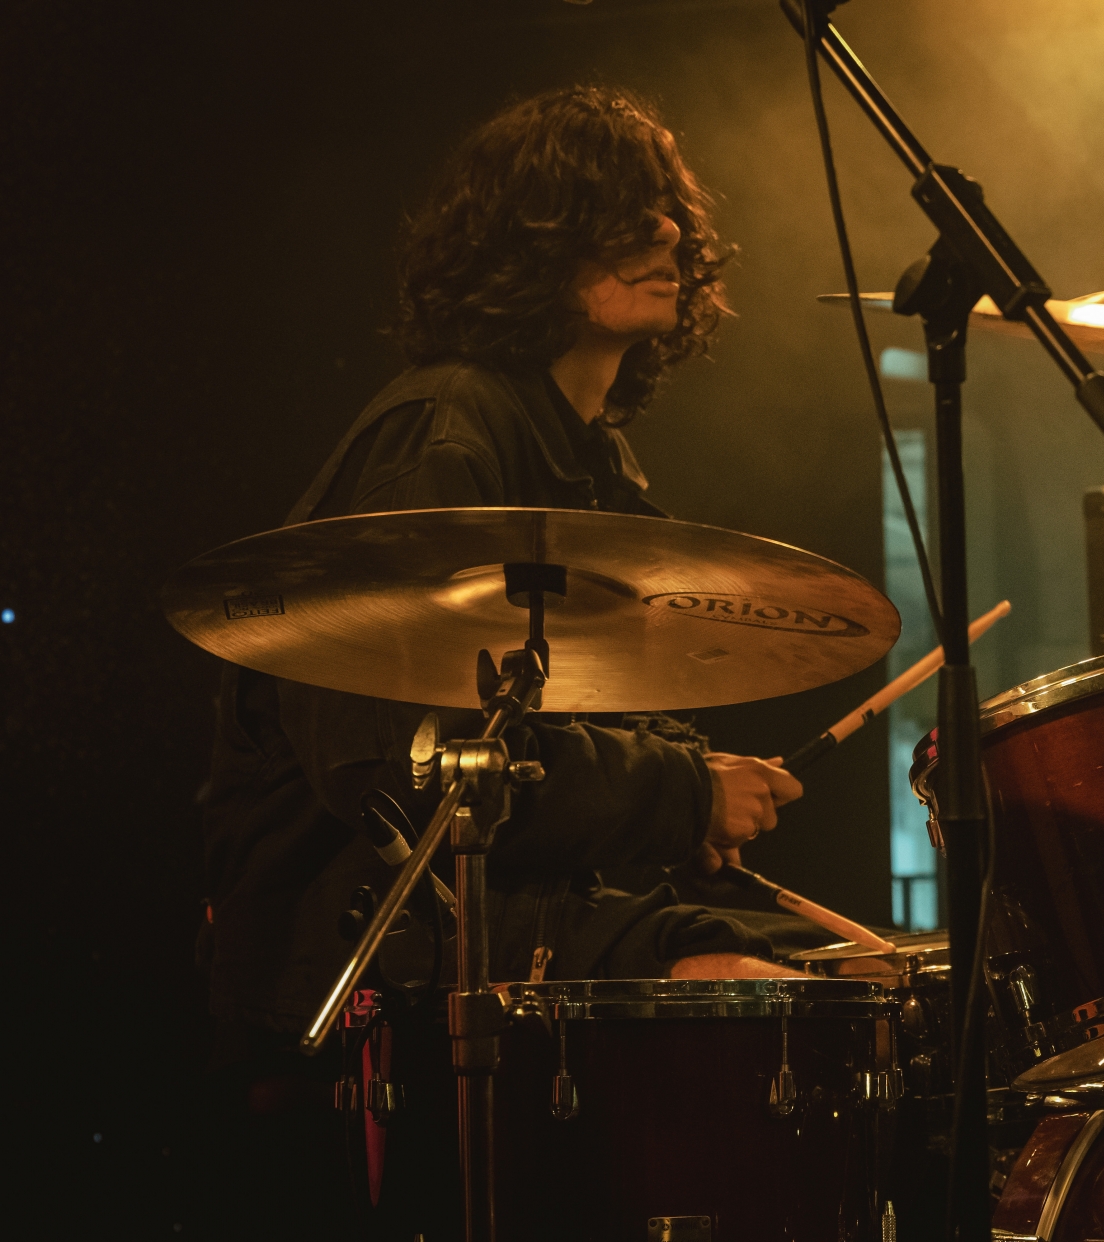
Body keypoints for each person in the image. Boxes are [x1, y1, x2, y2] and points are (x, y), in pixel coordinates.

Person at [201, 85, 833, 1044]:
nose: (666, 229)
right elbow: (409, 773)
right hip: (370, 940)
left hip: (503, 904)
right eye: (620, 208)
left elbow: (573, 714)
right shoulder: (443, 433)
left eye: (668, 207)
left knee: (861, 977)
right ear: (531, 240)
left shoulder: (592, 457)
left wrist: (688, 788)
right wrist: (682, 793)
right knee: (753, 995)